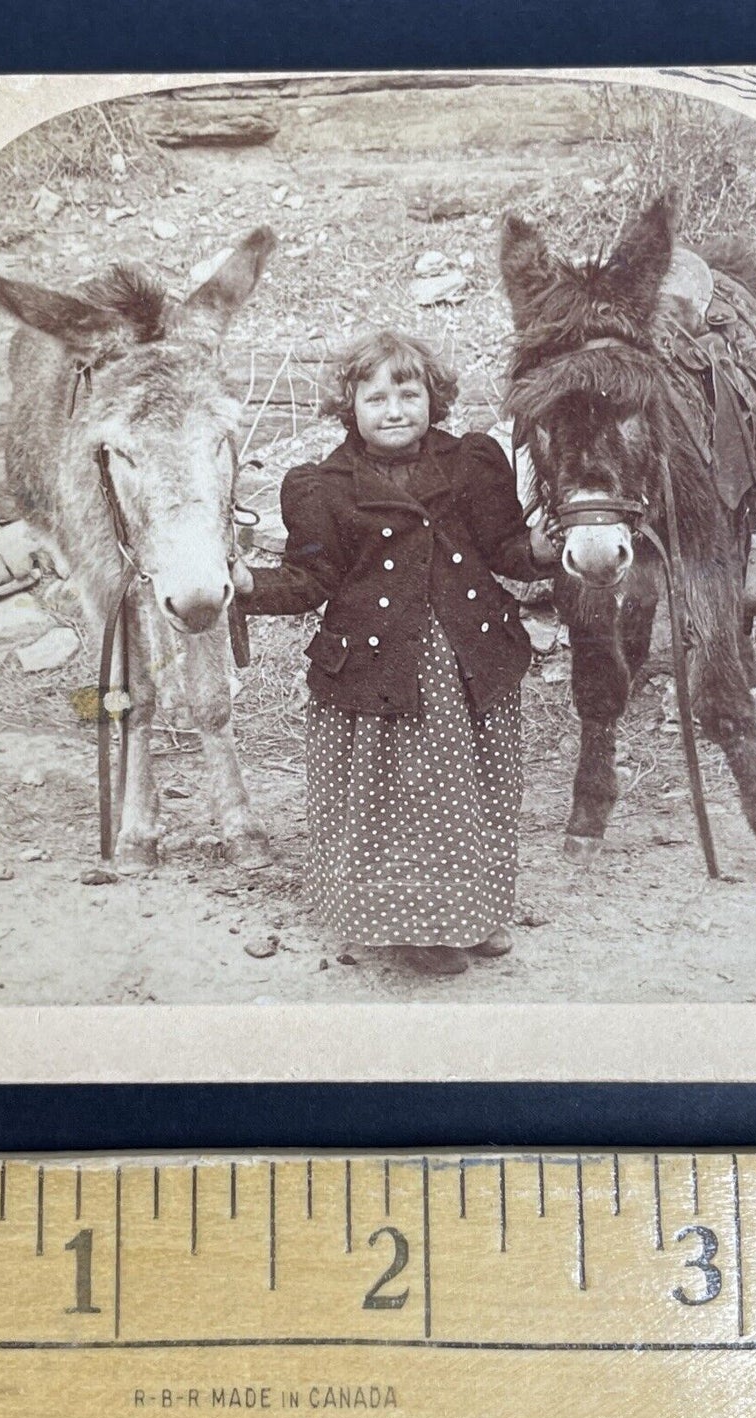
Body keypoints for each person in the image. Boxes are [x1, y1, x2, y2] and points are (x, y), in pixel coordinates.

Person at [237, 330, 558, 976]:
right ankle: (418, 930)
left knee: (476, 794)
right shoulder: (322, 487)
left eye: (407, 393)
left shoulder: (471, 462)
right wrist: (246, 587)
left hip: (470, 660)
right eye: (374, 396)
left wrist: (544, 552)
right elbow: (310, 582)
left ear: (432, 398)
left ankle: (472, 913)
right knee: (405, 802)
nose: (393, 409)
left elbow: (503, 548)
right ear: (347, 405)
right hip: (379, 673)